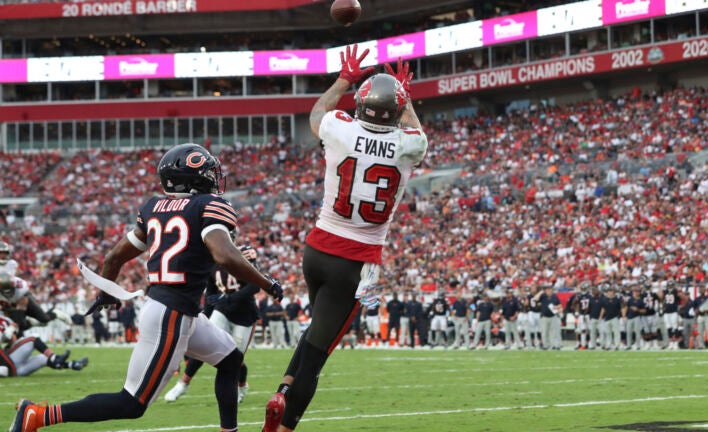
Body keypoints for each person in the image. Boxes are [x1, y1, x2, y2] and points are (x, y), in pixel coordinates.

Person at [10, 143, 283, 432]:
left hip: (175, 310)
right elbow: (225, 255)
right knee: (132, 403)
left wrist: (106, 293)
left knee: (231, 360)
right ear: (194, 178)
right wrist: (267, 282)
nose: (213, 178)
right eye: (207, 172)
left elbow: (114, 257)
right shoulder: (209, 206)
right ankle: (38, 415)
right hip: (172, 314)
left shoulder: (154, 208)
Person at [261, 45, 427, 432]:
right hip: (355, 261)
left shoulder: (340, 127)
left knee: (315, 329)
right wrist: (404, 97)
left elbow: (317, 113)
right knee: (319, 353)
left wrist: (344, 80)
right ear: (396, 111)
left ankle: (282, 389)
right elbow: (414, 128)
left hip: (316, 249)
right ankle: (284, 423)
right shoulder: (408, 145)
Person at [164, 244, 263, 404]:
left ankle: (241, 386)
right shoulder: (210, 261)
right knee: (203, 345)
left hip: (245, 315)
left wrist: (228, 298)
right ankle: (183, 384)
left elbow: (255, 286)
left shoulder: (243, 254)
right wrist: (203, 315)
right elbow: (211, 293)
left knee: (235, 358)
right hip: (222, 310)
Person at [0, 313, 87, 377]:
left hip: (13, 369)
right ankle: (55, 358)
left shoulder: (5, 319)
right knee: (33, 338)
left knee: (43, 358)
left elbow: (13, 339)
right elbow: (13, 339)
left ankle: (72, 364)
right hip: (10, 365)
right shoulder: (5, 319)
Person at [0, 272, 71, 336]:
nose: (8, 294)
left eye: (10, 289)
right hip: (9, 306)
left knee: (44, 319)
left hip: (23, 302)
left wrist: (13, 326)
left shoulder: (20, 287)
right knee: (21, 326)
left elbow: (21, 308)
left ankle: (55, 313)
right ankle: (31, 323)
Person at [536, 284, 563, 350]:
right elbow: (536, 299)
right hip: (545, 316)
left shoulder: (555, 297)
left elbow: (560, 305)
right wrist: (541, 292)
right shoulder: (543, 296)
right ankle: (546, 345)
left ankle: (555, 345)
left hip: (553, 316)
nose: (549, 290)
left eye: (550, 289)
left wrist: (556, 307)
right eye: (547, 289)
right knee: (545, 332)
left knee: (554, 332)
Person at [599, 286, 624, 350]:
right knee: (608, 333)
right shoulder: (605, 300)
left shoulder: (617, 299)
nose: (610, 292)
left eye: (611, 291)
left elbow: (621, 308)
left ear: (614, 292)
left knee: (616, 332)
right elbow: (603, 308)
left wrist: (622, 316)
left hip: (615, 317)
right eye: (609, 291)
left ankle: (617, 345)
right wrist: (601, 316)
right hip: (607, 318)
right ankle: (609, 344)